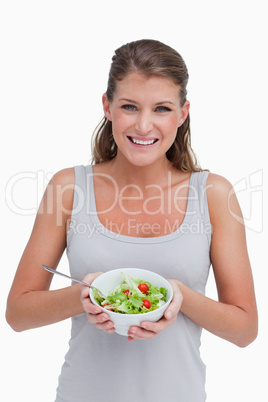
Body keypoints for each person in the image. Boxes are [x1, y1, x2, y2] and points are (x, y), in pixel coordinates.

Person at [6, 39, 258, 402]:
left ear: (182, 113)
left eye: (161, 108)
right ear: (107, 106)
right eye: (129, 106)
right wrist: (85, 296)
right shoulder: (68, 187)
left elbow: (245, 330)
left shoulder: (213, 194)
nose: (143, 125)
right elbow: (17, 314)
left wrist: (179, 297)